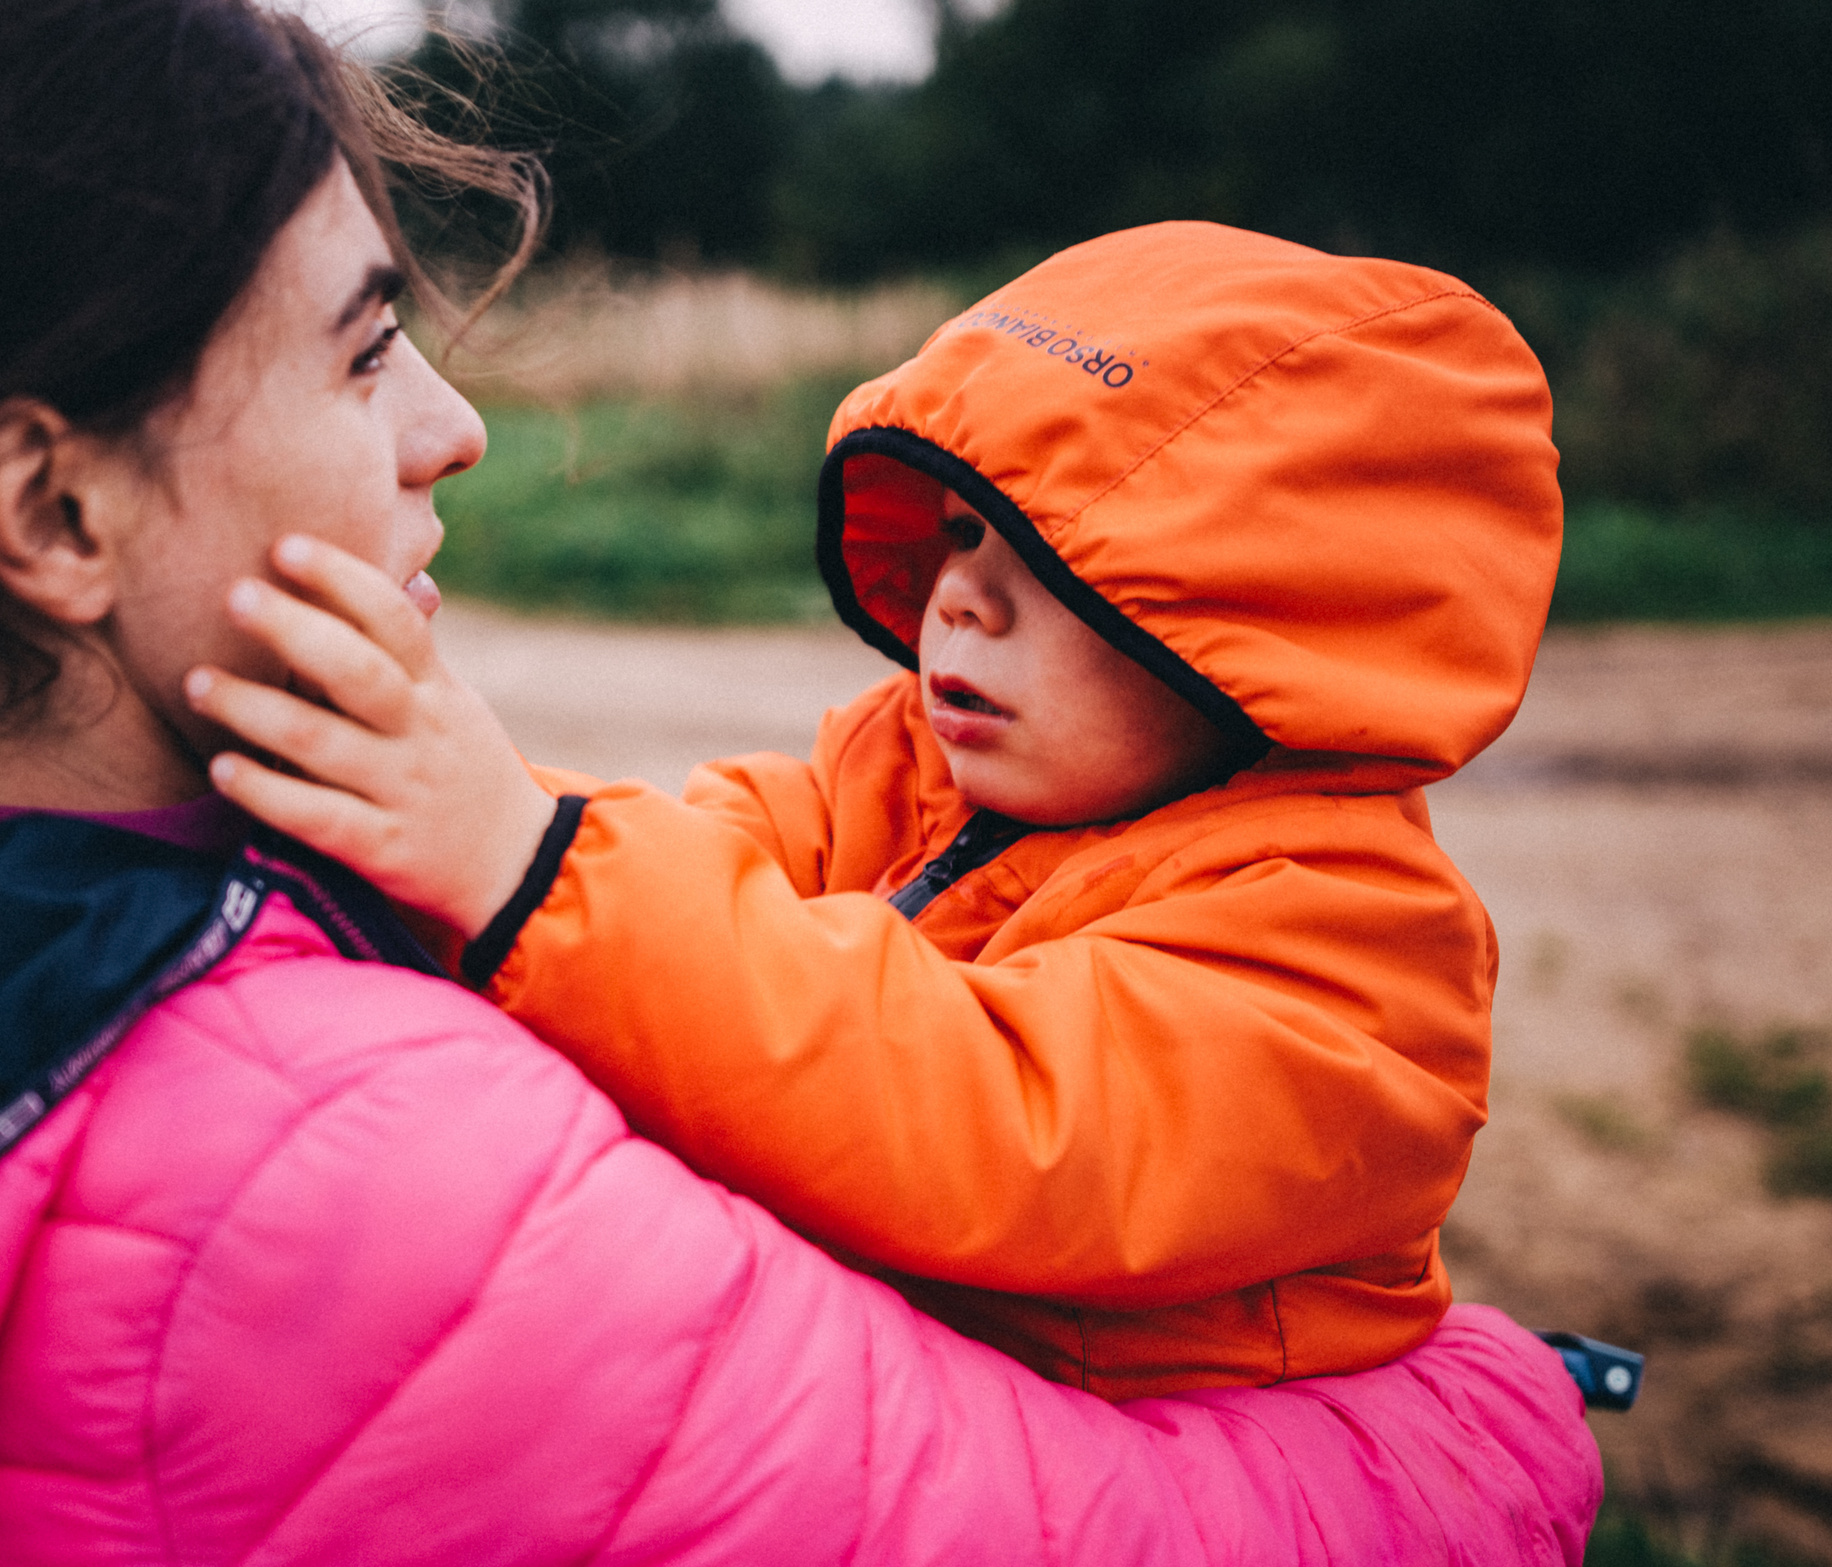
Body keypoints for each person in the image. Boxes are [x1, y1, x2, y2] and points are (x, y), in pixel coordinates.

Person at [0, 2, 1598, 1567]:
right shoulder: (353, 1189)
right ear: (54, 515)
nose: (449, 426)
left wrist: (541, 868)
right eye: (367, 342)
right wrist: (1504, 1421)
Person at [191, 222, 1560, 1402]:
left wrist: (525, 863)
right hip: (938, 1407)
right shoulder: (911, 763)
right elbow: (706, 852)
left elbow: (983, 1117)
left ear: (1267, 621)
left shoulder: (1356, 952)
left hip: (1156, 1475)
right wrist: (456, 816)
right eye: (962, 530)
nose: (962, 595)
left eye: (1055, 559)